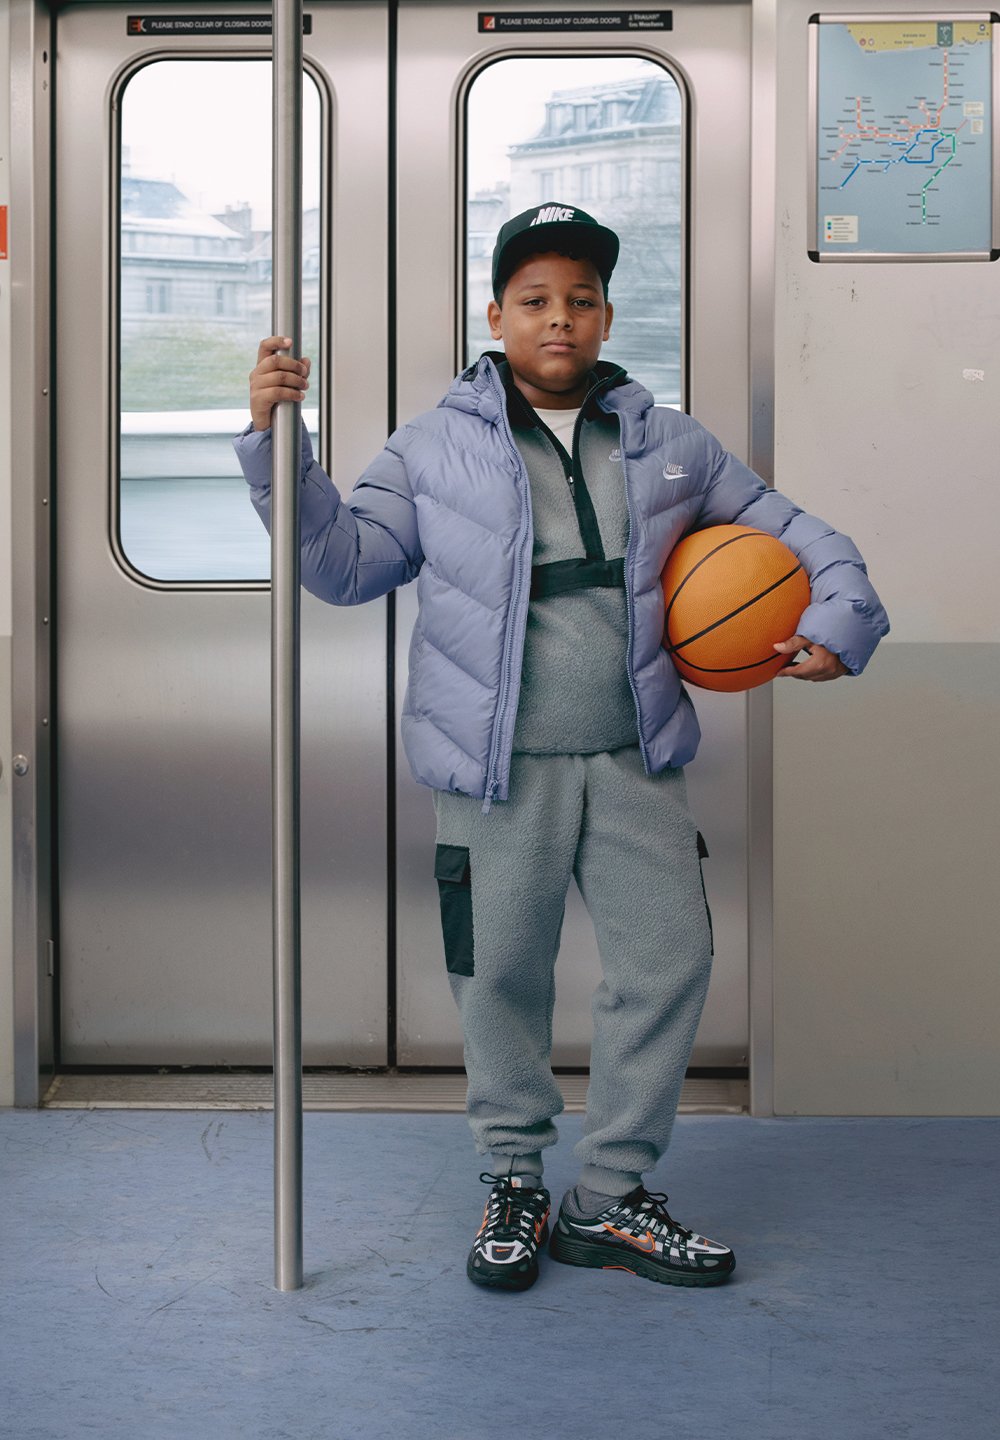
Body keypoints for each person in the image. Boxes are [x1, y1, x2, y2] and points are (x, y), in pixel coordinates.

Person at [234, 204, 889, 1293]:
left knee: (667, 961)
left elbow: (800, 534)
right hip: (494, 778)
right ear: (496, 315)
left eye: (580, 301)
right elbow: (341, 565)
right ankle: (514, 1180)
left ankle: (612, 1196)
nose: (560, 320)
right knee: (500, 977)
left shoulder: (672, 444)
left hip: (634, 761)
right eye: (535, 300)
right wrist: (275, 445)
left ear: (606, 315)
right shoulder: (430, 447)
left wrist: (835, 620)